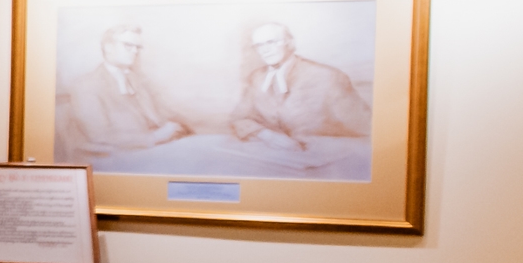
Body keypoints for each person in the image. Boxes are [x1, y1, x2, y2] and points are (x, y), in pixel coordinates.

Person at [226, 19, 371, 162]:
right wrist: (268, 136)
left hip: (325, 162)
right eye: (258, 45)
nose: (265, 50)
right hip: (274, 160)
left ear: (290, 43)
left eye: (271, 42)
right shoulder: (257, 77)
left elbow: (367, 127)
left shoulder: (328, 76)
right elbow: (239, 118)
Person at [61, 18, 191, 157]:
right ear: (108, 47)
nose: (135, 51)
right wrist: (156, 137)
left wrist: (178, 129)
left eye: (137, 47)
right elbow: (100, 136)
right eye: (128, 45)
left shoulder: (140, 81)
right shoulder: (86, 85)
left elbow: (164, 114)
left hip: (155, 150)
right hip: (117, 158)